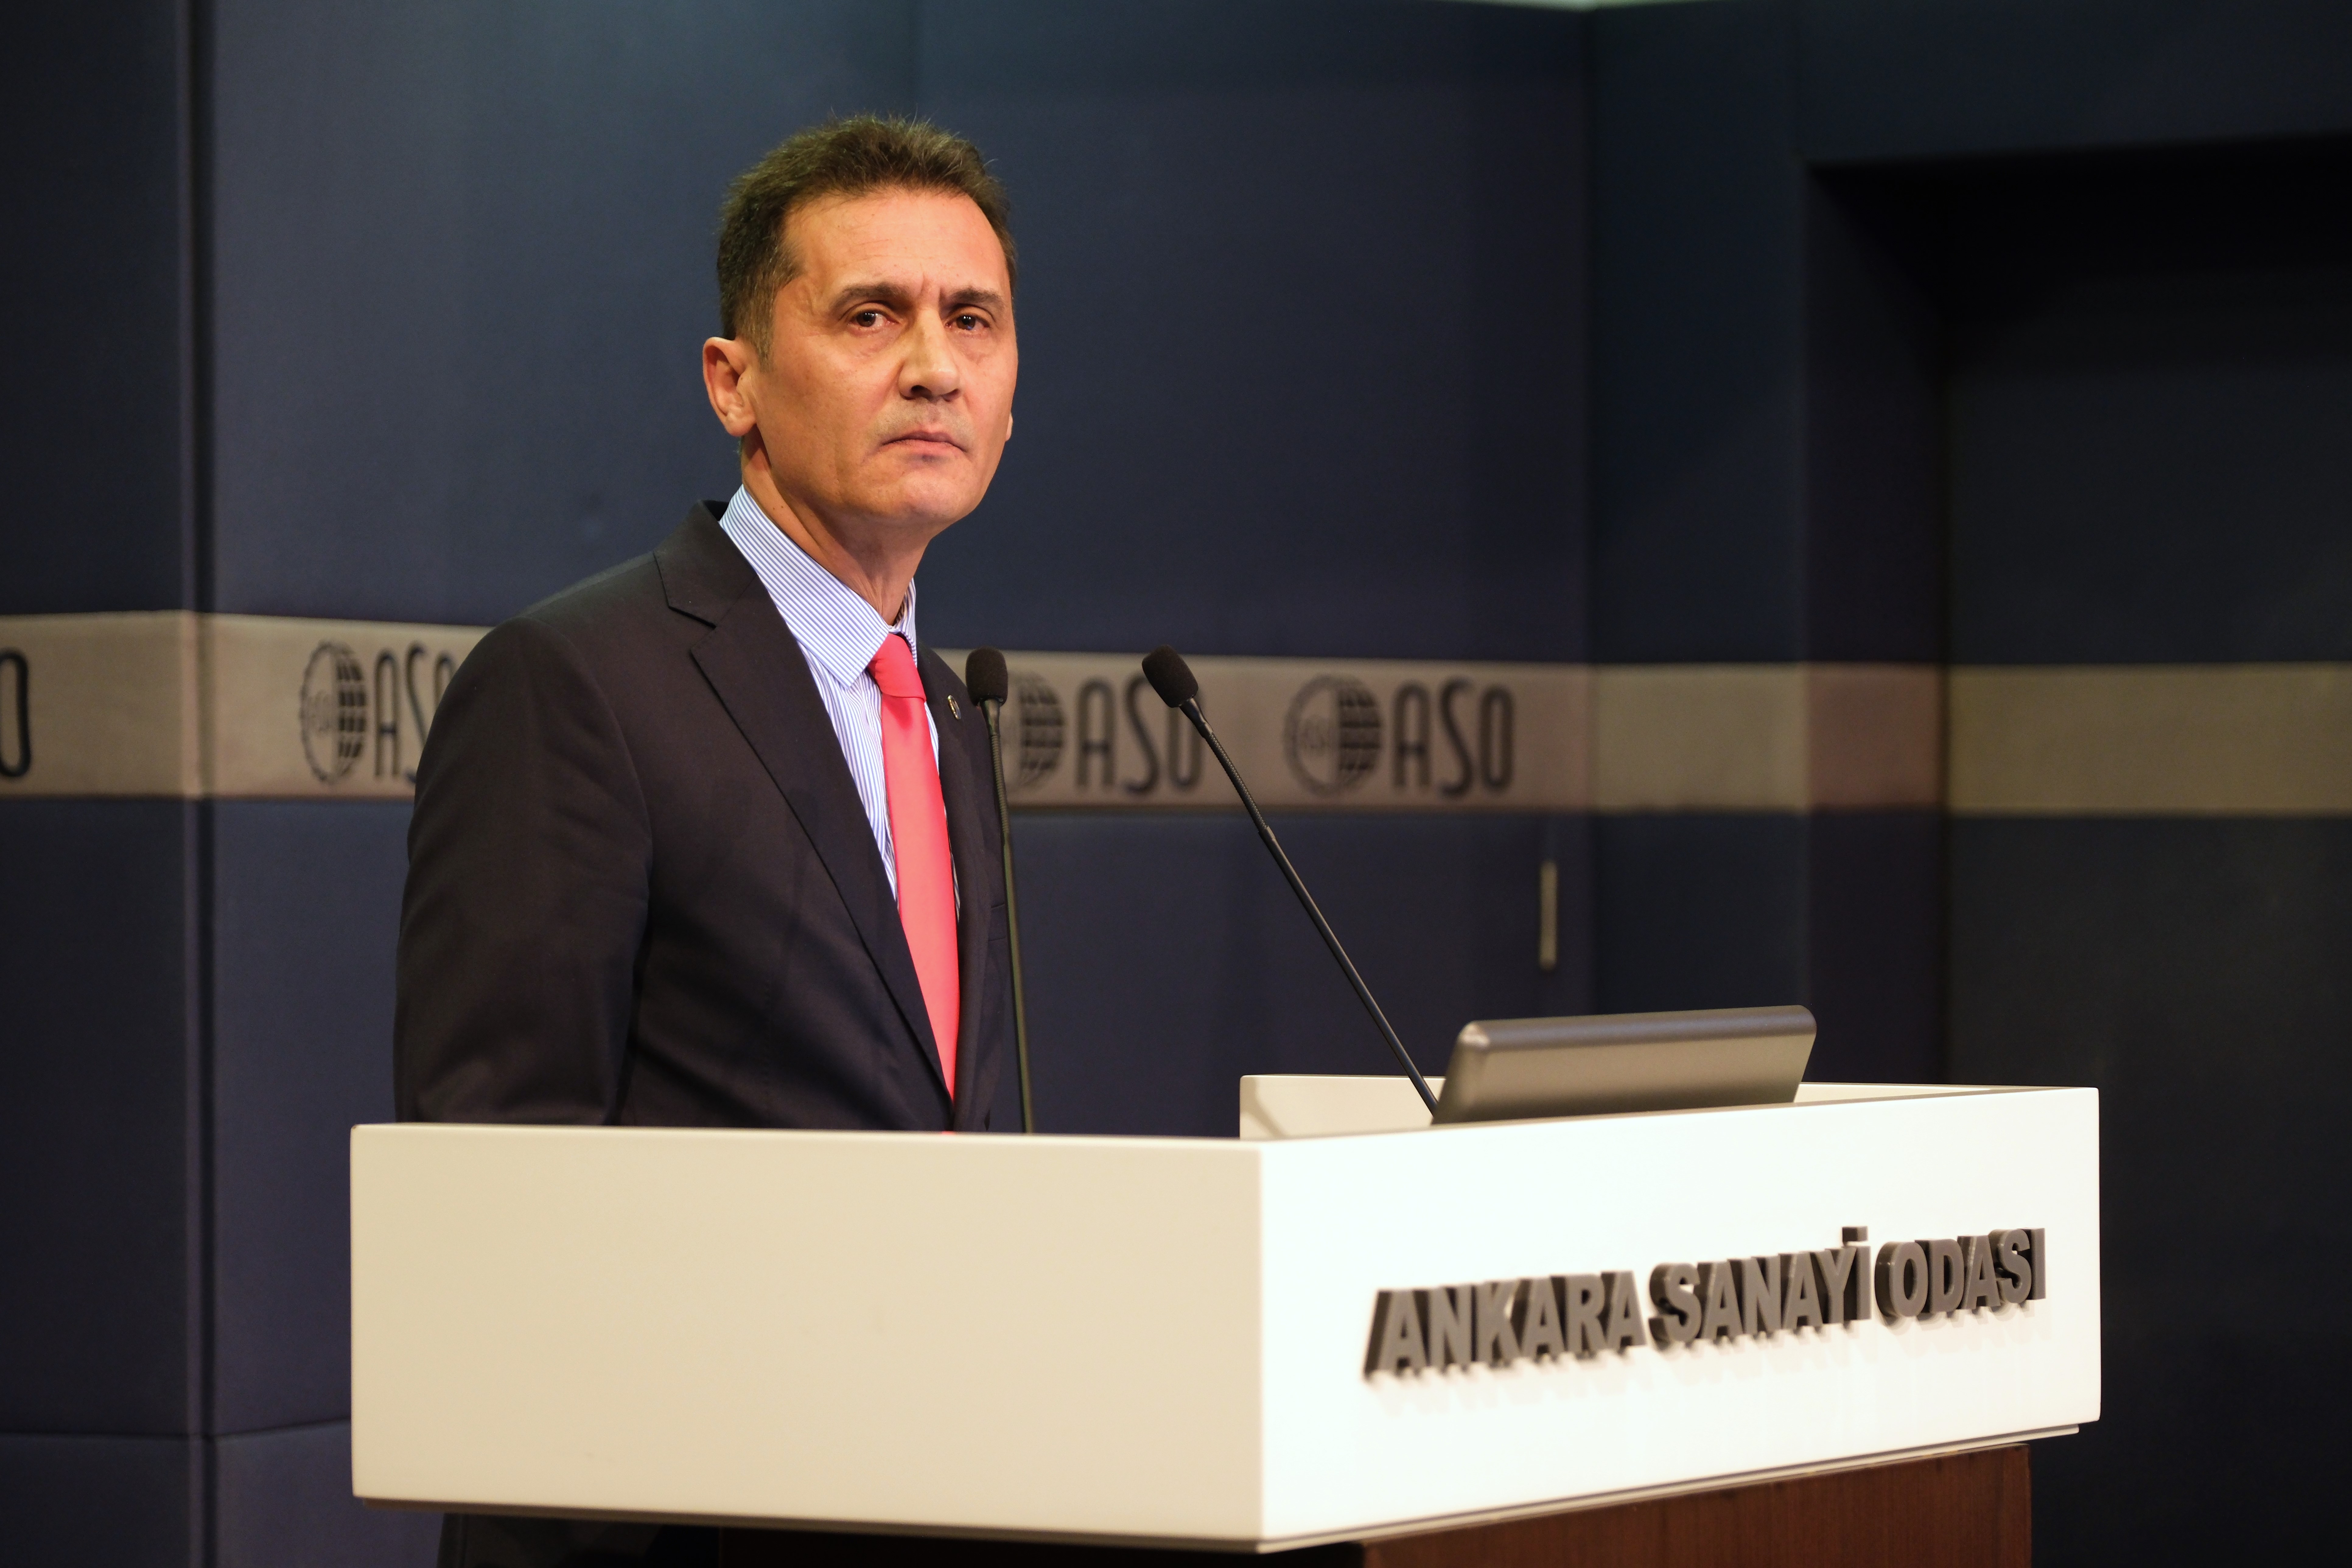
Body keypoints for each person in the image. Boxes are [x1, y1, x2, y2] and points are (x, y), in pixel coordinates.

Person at [394, 115, 1021, 1568]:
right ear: (731, 381)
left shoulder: (952, 710)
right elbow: (500, 1181)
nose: (934, 365)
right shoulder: (578, 684)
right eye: (871, 315)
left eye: (972, 319)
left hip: (929, 1497)